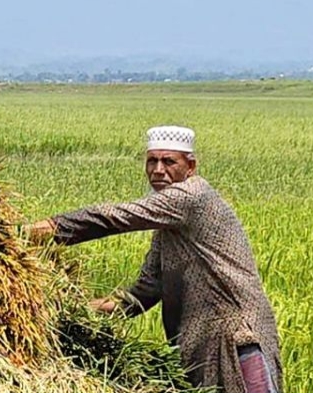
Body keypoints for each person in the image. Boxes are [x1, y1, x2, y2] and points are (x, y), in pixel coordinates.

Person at [27, 126, 283, 393]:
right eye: (152, 161)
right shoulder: (168, 229)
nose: (158, 169)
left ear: (190, 166)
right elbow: (144, 294)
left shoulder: (192, 196)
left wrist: (43, 230)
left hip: (238, 340)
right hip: (201, 347)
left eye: (169, 161)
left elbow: (114, 217)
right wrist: (73, 307)